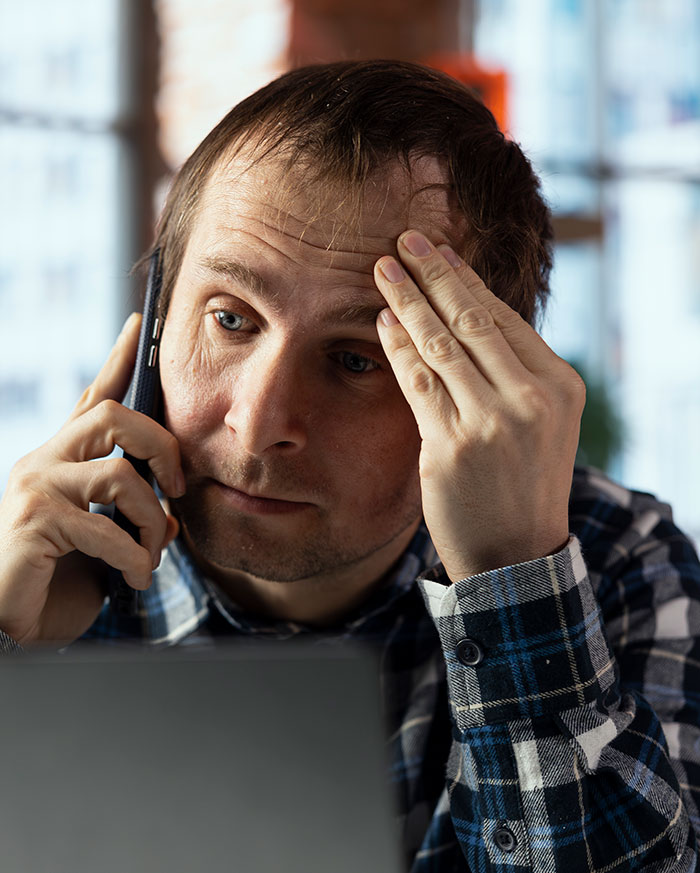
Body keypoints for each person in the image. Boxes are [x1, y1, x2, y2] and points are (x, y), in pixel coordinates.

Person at [0, 60, 698, 871]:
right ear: (154, 321)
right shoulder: (40, 559)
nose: (258, 427)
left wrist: (516, 590)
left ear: (480, 384)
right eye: (230, 318)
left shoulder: (620, 562)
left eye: (357, 359)